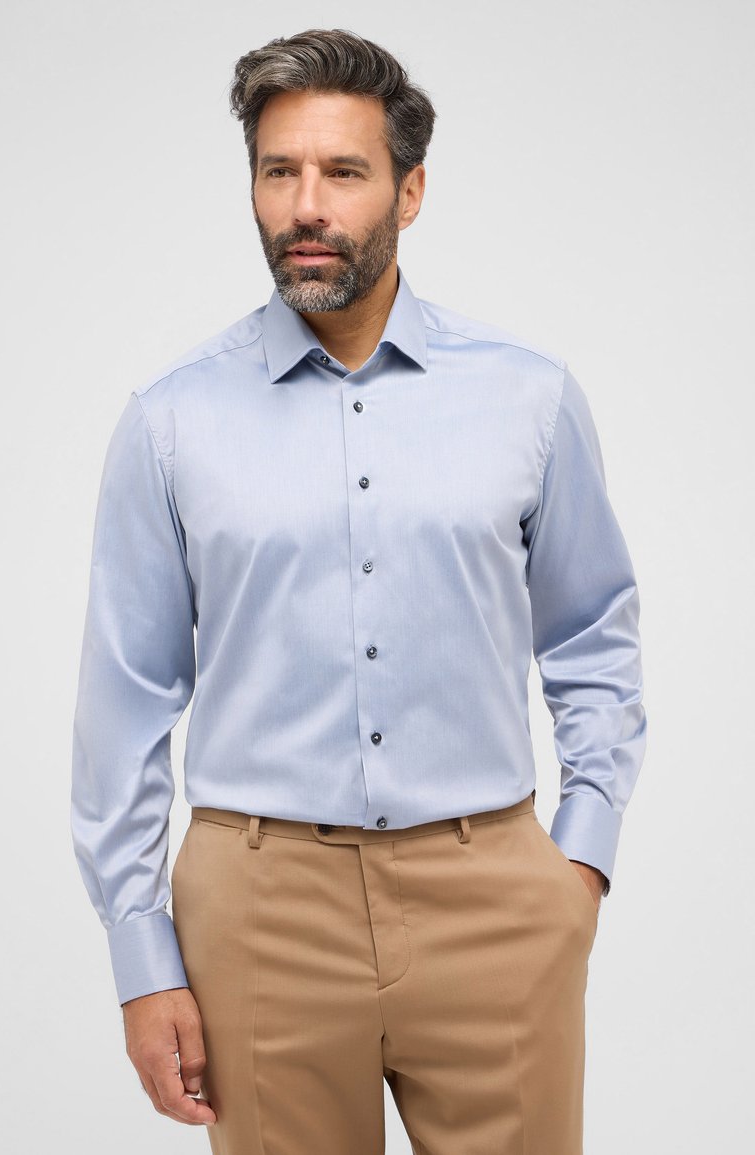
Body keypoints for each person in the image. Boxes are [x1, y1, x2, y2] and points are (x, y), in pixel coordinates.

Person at [70, 27, 647, 1155]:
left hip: (493, 898)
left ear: (409, 190)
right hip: (259, 915)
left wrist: (578, 861)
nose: (305, 206)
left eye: (342, 171)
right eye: (277, 171)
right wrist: (142, 957)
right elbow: (124, 701)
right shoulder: (171, 421)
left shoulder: (527, 399)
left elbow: (592, 634)